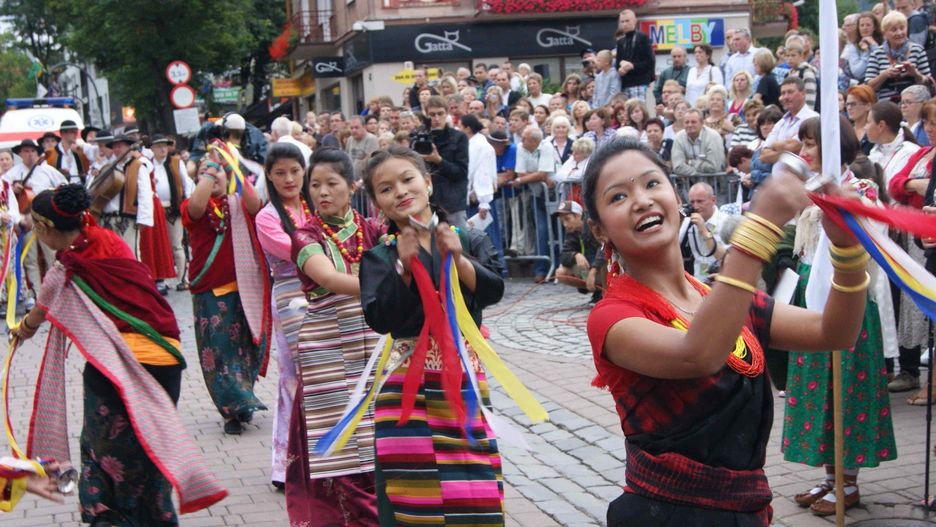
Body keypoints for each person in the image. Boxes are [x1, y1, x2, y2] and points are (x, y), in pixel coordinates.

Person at [583, 138, 870, 527]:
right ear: (599, 229)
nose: (641, 201)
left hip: (746, 513)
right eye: (618, 196)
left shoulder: (722, 300)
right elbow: (699, 354)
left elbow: (834, 332)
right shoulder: (612, 317)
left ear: (675, 197)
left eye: (652, 184)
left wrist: (848, 251)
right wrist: (761, 227)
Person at [13, 184, 226, 525]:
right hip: (166, 357)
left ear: (45, 228)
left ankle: (110, 516)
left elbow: (39, 311)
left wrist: (21, 330)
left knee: (104, 449)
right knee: (149, 448)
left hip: (118, 367)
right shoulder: (110, 240)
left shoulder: (66, 268)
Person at [359, 145, 506, 526]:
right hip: (405, 386)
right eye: (386, 188)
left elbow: (492, 291)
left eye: (407, 179)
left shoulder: (468, 239)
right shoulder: (379, 256)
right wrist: (404, 269)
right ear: (377, 203)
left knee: (474, 488)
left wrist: (458, 259)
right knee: (411, 490)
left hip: (462, 378)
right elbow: (380, 318)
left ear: (427, 182)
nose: (400, 192)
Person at [783, 116, 897, 516]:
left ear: (833, 146)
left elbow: (868, 240)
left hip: (848, 300)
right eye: (802, 144)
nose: (804, 152)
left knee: (846, 389)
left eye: (811, 144)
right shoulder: (809, 191)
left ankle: (849, 480)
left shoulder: (859, 190)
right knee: (819, 391)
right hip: (812, 298)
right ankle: (830, 476)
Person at [284, 148, 384, 526]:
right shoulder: (304, 235)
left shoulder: (374, 230)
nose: (322, 192)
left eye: (331, 183)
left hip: (374, 341)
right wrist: (391, 285)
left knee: (377, 436)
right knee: (340, 444)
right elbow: (328, 279)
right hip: (326, 348)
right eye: (315, 185)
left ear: (352, 186)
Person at [182, 155, 269, 435]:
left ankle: (244, 398)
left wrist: (233, 166)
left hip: (246, 289)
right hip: (210, 291)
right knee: (218, 353)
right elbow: (196, 207)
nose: (212, 175)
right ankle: (231, 408)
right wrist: (210, 172)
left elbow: (256, 204)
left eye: (218, 172)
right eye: (205, 173)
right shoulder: (193, 205)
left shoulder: (238, 203)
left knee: (248, 349)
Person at [254, 143, 313, 489]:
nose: (289, 178)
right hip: (291, 295)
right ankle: (286, 465)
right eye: (280, 173)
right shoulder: (267, 217)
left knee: (322, 372)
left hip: (326, 292)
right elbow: (295, 252)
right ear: (270, 176)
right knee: (293, 378)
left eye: (295, 171)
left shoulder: (315, 206)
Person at [513, 125, 557, 282]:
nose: (521, 140)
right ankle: (541, 270)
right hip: (537, 195)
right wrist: (539, 175)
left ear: (534, 141)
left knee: (556, 231)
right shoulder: (521, 147)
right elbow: (521, 172)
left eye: (524, 138)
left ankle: (558, 268)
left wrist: (524, 179)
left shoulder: (546, 146)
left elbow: (542, 174)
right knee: (541, 231)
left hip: (553, 194)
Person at [139, 135, 181, 295]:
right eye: (158, 146)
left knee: (175, 244)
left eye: (164, 145)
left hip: (171, 208)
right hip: (154, 207)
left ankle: (181, 278)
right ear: (151, 149)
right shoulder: (146, 162)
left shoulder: (175, 163)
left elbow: (185, 184)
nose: (163, 149)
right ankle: (156, 277)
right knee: (154, 243)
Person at [422, 96, 470, 228]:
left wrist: (439, 160)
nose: (436, 118)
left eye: (440, 113)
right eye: (432, 115)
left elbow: (461, 172)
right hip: (428, 202)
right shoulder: (421, 137)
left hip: (453, 203)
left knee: (460, 239)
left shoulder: (459, 137)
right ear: (426, 115)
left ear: (446, 113)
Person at [865, 11, 931, 102]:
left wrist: (915, 74)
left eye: (902, 28)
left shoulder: (918, 50)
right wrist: (885, 74)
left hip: (914, 104)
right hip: (887, 105)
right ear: (884, 33)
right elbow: (868, 87)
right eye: (894, 30)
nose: (899, 33)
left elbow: (928, 83)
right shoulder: (876, 54)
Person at [463, 114, 501, 259]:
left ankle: (497, 267)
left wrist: (484, 202)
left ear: (467, 128)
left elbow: (483, 174)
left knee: (488, 240)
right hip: (474, 199)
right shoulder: (473, 144)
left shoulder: (480, 146)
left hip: (481, 201)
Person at [760, 77, 819, 164]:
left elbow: (794, 146)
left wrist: (775, 146)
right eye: (783, 93)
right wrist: (786, 149)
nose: (785, 97)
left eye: (790, 92)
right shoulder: (781, 123)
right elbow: (763, 155)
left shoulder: (813, 118)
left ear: (803, 93)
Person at [554, 200, 605, 301]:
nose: (565, 224)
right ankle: (596, 290)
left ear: (578, 216)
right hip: (590, 267)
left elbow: (604, 246)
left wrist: (594, 270)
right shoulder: (572, 231)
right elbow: (563, 255)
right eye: (562, 221)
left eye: (567, 219)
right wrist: (576, 255)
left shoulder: (592, 224)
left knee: (605, 262)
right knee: (561, 273)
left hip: (606, 267)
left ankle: (608, 293)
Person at [868, 100, 920, 185]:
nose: (866, 127)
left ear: (881, 125)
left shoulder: (910, 152)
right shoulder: (875, 152)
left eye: (868, 122)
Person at [671, 108, 726, 176]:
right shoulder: (679, 137)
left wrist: (690, 162)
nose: (690, 125)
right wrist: (697, 174)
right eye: (687, 122)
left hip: (713, 182)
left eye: (693, 122)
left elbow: (713, 167)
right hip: (689, 182)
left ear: (702, 123)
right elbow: (678, 167)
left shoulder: (713, 136)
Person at [615, 9, 655, 99]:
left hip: (639, 83)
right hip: (624, 85)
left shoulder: (642, 38)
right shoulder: (621, 42)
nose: (624, 24)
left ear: (634, 21)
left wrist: (632, 66)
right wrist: (620, 68)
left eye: (627, 21)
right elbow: (617, 63)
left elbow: (649, 62)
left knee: (637, 107)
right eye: (622, 22)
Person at [45, 120, 90, 185]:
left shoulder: (81, 150)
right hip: (60, 189)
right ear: (63, 133)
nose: (76, 134)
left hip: (80, 188)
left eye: (76, 132)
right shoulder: (51, 154)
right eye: (72, 132)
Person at [843, 12, 883, 84]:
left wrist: (874, 45)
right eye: (862, 25)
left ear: (874, 27)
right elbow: (857, 73)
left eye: (868, 25)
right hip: (863, 84)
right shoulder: (853, 47)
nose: (865, 28)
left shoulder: (883, 42)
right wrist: (866, 53)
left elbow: (882, 63)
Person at [784, 40, 818, 111]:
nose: (790, 58)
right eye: (788, 56)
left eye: (793, 55)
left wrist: (808, 113)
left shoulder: (806, 72)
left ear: (801, 56)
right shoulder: (787, 75)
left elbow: (810, 95)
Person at [847, 85, 878, 156]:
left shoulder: (876, 131)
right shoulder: (846, 131)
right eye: (847, 104)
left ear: (868, 106)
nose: (849, 108)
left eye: (853, 104)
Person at [346, 115, 380, 180]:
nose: (353, 130)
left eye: (356, 127)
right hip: (352, 179)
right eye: (351, 128)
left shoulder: (371, 139)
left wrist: (362, 181)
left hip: (365, 180)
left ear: (364, 127)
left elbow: (372, 164)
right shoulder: (350, 139)